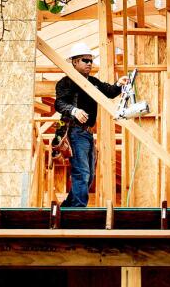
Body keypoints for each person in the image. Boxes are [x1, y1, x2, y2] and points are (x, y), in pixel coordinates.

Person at [54, 42, 129, 207]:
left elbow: (109, 91)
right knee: (82, 173)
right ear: (74, 62)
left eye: (90, 60)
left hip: (87, 133)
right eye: (85, 60)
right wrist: (74, 110)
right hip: (75, 131)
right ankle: (78, 209)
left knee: (89, 175)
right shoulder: (66, 82)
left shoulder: (93, 82)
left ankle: (68, 207)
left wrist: (119, 84)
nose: (89, 63)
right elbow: (59, 103)